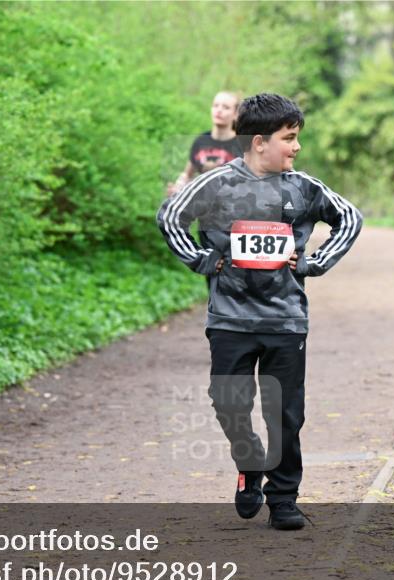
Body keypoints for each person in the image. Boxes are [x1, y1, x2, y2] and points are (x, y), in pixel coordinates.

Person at [157, 93, 363, 530]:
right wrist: (200, 259)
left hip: (286, 320)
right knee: (228, 403)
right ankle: (249, 459)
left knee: (285, 413)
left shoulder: (303, 187)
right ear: (258, 141)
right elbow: (171, 216)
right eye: (289, 138)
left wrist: (314, 263)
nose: (297, 146)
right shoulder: (216, 184)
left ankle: (283, 499)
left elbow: (350, 218)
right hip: (230, 318)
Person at [166, 91, 243, 196]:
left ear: (235, 114)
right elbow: (187, 175)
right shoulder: (201, 141)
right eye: (216, 105)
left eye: (226, 107)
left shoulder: (242, 145)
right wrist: (177, 189)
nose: (219, 110)